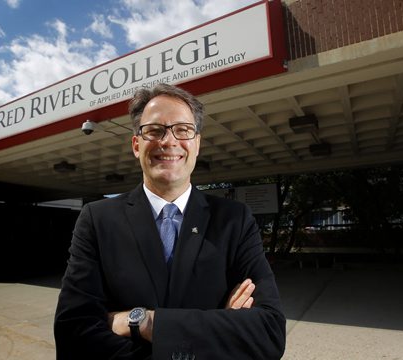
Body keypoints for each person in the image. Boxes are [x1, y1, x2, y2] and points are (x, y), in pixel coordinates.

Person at [54, 83, 286, 359]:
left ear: (197, 144)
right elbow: (73, 335)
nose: (169, 141)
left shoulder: (234, 220)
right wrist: (217, 329)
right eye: (154, 130)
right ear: (136, 144)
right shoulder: (97, 220)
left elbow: (268, 332)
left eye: (183, 130)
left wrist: (143, 321)